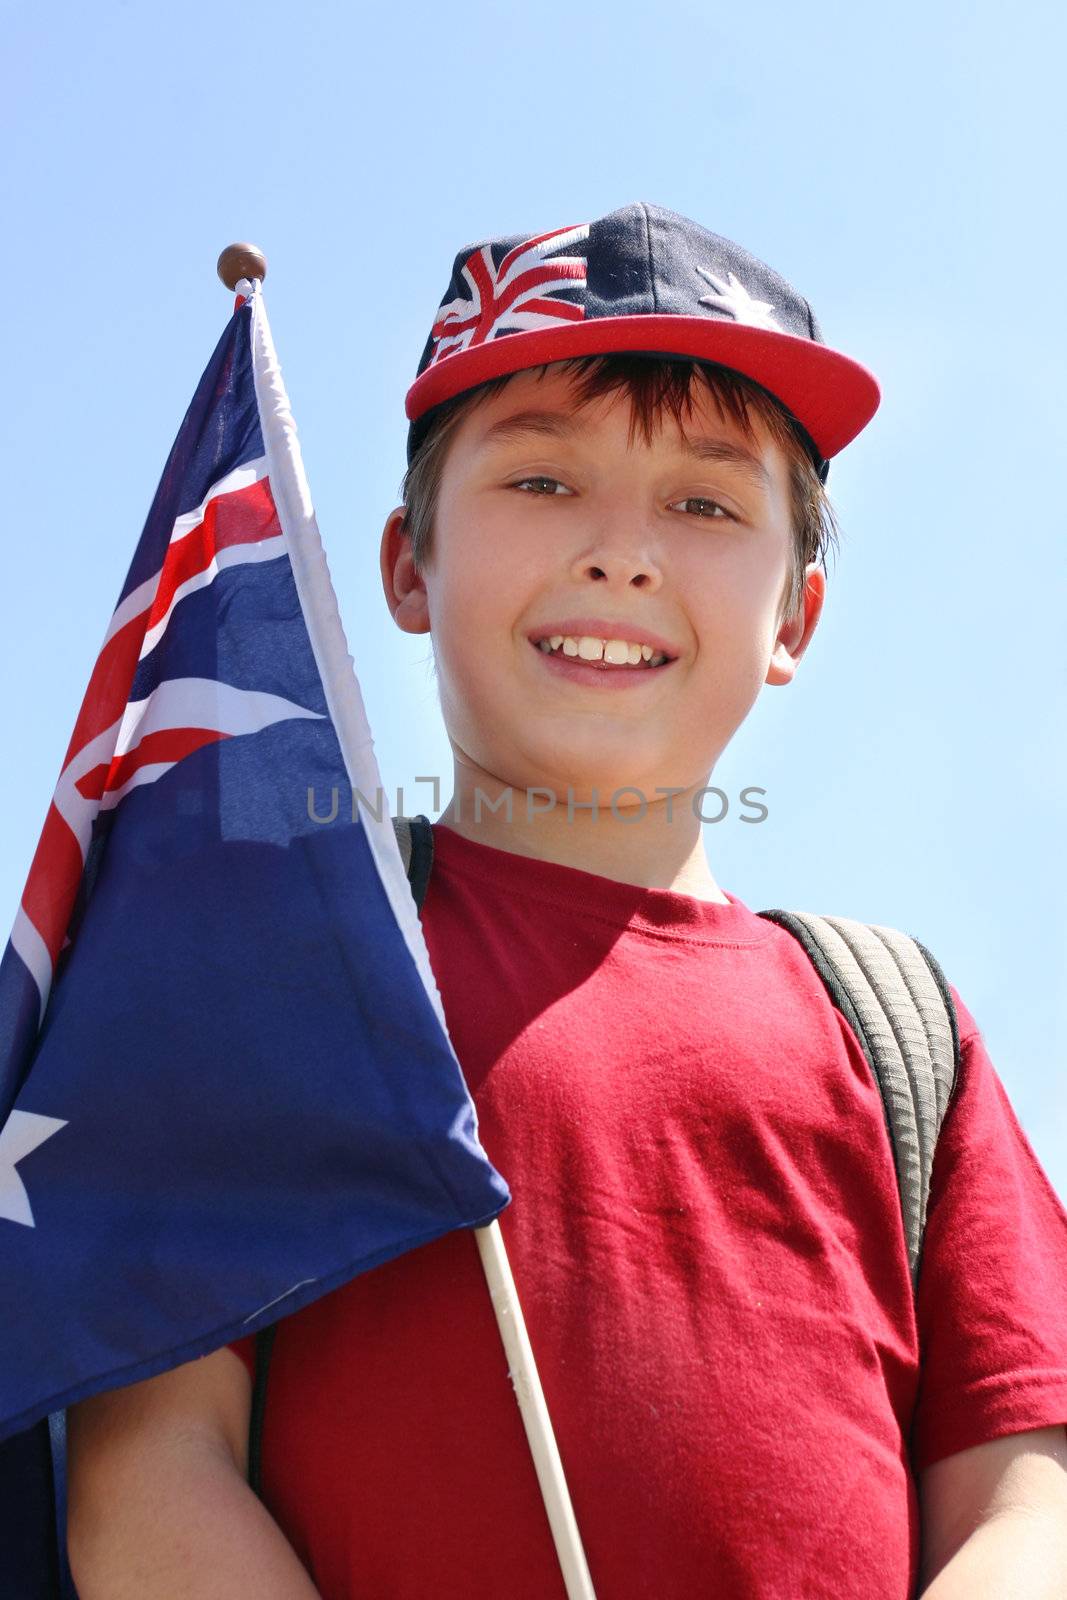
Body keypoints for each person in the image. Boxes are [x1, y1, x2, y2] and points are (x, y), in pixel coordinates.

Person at [65, 202, 1067, 1598]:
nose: (622, 552)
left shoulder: (904, 1037)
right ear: (408, 566)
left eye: (708, 503)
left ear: (797, 620)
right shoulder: (293, 975)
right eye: (541, 483)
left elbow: (1030, 1504)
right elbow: (145, 1473)